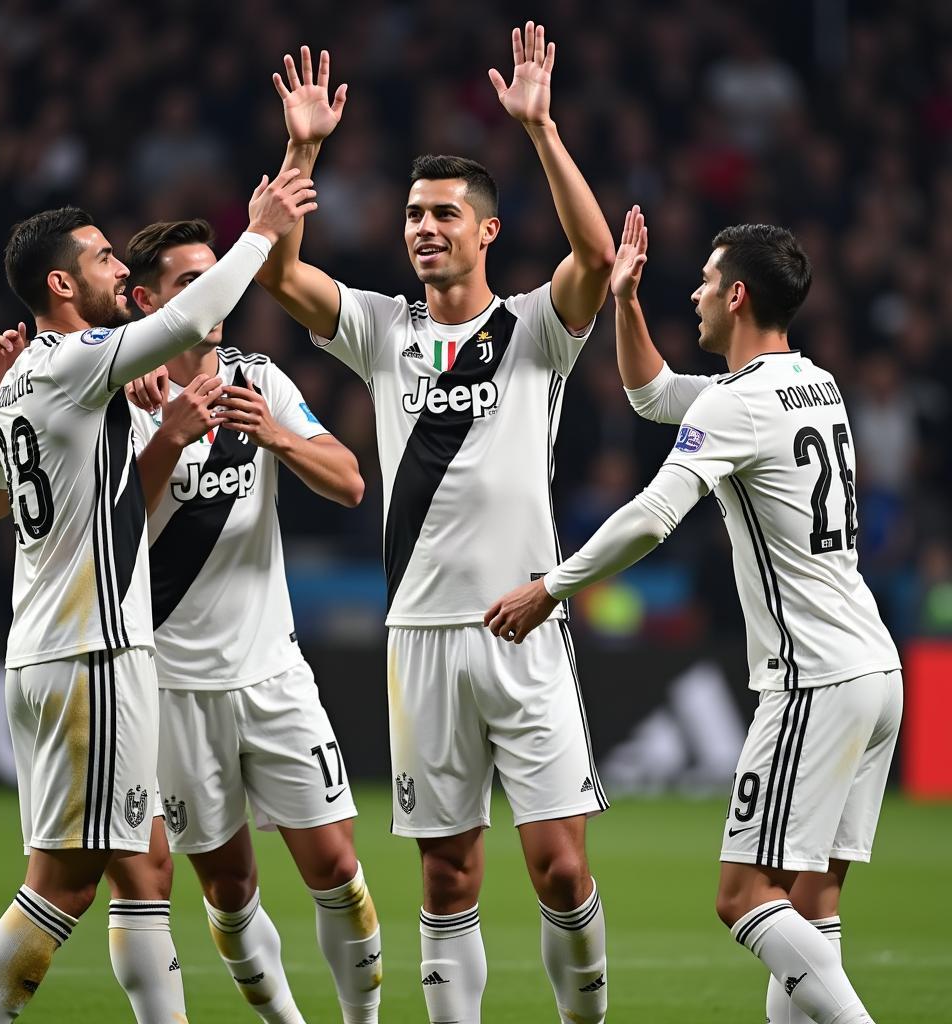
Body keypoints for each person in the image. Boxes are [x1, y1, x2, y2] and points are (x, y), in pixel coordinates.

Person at [257, 26, 615, 1024]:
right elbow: (281, 277)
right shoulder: (381, 328)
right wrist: (303, 153)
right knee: (448, 876)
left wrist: (540, 131)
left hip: (525, 626)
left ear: (486, 231)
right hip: (420, 634)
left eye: (444, 214)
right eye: (414, 213)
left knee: (555, 867)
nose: (423, 227)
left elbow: (594, 255)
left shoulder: (533, 329)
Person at [485, 208, 902, 1024]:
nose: (697, 292)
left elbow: (650, 515)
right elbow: (652, 397)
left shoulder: (738, 404)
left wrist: (552, 587)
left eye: (707, 281)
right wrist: (626, 302)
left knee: (743, 898)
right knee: (807, 906)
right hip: (874, 669)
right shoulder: (812, 383)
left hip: (813, 679)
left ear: (737, 295)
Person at [0, 168, 315, 1024]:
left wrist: (28, 411)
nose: (118, 268)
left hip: (36, 654)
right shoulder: (84, 362)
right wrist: (259, 231)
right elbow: (191, 319)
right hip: (96, 654)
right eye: (101, 258)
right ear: (60, 285)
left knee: (143, 871)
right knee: (63, 887)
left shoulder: (19, 382)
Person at [122, 217, 381, 1024]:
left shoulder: (259, 380)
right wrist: (168, 438)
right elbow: (102, 533)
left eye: (217, 276)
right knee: (229, 890)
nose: (214, 294)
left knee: (337, 867)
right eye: (188, 283)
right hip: (175, 689)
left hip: (273, 675)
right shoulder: (120, 399)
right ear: (144, 301)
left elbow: (349, 482)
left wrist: (274, 434)